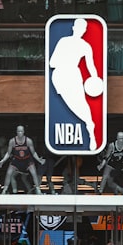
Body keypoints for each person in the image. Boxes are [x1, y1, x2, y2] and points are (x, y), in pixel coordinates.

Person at [48, 17, 99, 151]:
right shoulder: (63, 41)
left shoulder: (85, 46)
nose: (81, 31)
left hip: (73, 75)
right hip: (61, 76)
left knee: (81, 103)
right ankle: (90, 125)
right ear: (74, 28)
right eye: (80, 28)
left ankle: (90, 129)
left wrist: (95, 79)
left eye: (84, 29)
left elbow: (91, 66)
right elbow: (51, 63)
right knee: (74, 104)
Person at [0, 125, 45, 195]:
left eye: (21, 131)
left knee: (34, 173)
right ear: (16, 132)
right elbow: (8, 153)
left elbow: (33, 153)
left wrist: (39, 160)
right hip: (17, 160)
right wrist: (3, 160)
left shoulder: (28, 141)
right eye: (18, 131)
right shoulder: (12, 141)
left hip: (27, 160)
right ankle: (5, 190)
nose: (20, 133)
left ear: (24, 132)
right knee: (9, 173)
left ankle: (38, 189)